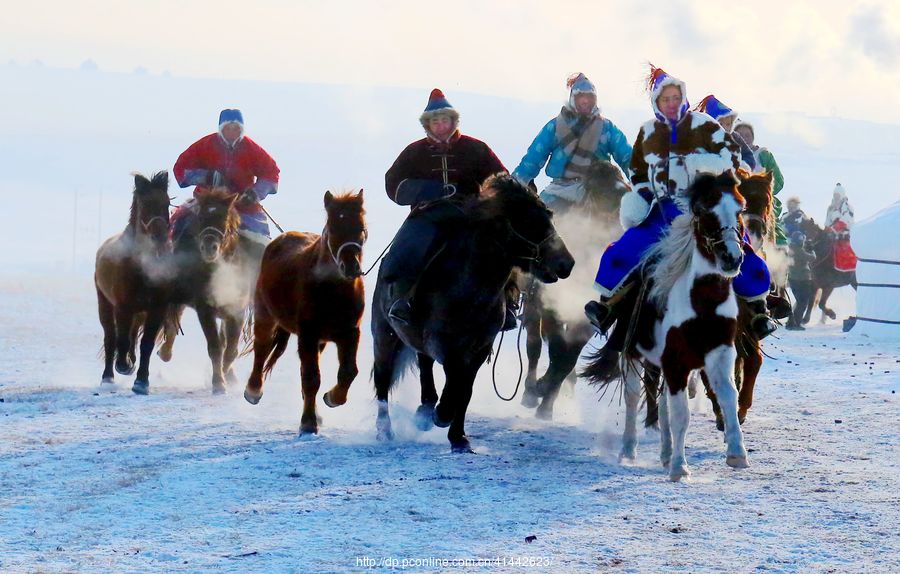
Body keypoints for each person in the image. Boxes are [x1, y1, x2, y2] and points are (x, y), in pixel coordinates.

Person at [584, 65, 777, 378]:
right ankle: (608, 306)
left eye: (676, 97)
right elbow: (637, 171)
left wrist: (699, 164)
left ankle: (758, 311)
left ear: (684, 98)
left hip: (705, 206)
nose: (672, 103)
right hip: (664, 210)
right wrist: (643, 196)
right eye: (666, 99)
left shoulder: (705, 125)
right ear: (657, 103)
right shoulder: (647, 132)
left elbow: (732, 156)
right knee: (623, 250)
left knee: (739, 250)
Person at [382, 89, 510, 326]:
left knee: (501, 246)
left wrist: (486, 200)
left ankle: (507, 302)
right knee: (404, 247)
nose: (440, 126)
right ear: (427, 124)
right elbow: (393, 184)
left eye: (444, 120)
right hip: (427, 215)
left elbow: (501, 178)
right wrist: (429, 190)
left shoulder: (476, 149)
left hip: (470, 216)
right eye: (435, 121)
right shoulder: (414, 151)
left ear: (453, 121)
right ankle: (401, 299)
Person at [511, 73, 632, 211]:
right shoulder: (555, 127)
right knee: (539, 221)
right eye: (581, 97)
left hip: (599, 189)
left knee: (625, 214)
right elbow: (532, 160)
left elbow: (627, 157)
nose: (585, 101)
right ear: (573, 98)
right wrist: (512, 187)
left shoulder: (606, 128)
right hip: (560, 190)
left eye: (589, 97)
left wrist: (643, 184)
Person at [171, 109, 280, 256]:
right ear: (221, 128)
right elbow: (181, 168)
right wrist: (207, 177)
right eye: (227, 128)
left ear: (241, 129)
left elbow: (271, 173)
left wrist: (254, 193)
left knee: (262, 245)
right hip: (205, 203)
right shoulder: (205, 145)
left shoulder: (252, 149)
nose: (232, 131)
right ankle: (171, 265)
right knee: (180, 226)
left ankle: (261, 275)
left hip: (242, 206)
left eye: (236, 128)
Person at [734, 121, 786, 243]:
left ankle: (778, 251)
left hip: (759, 200)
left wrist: (764, 189)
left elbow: (778, 180)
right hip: (738, 199)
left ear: (752, 137)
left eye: (747, 135)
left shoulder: (763, 155)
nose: (744, 139)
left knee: (775, 231)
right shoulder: (731, 155)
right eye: (740, 135)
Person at [694, 95, 756, 171]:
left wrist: (743, 165)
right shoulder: (704, 139)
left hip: (735, 174)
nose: (724, 128)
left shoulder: (735, 137)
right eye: (720, 124)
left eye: (728, 124)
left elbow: (748, 155)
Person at [785, 231, 815, 330]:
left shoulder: (792, 249)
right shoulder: (799, 251)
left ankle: (790, 323)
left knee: (799, 302)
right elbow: (812, 258)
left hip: (794, 279)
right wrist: (811, 250)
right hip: (802, 280)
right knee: (802, 302)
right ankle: (796, 323)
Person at [825, 183, 857, 272]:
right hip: (832, 236)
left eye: (838, 195)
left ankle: (848, 271)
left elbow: (846, 220)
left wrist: (835, 228)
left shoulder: (847, 207)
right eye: (835, 195)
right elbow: (827, 222)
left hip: (844, 236)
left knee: (844, 251)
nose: (836, 197)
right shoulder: (831, 208)